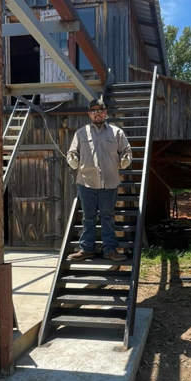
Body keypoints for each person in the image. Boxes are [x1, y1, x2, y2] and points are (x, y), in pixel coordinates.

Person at [66, 97, 132, 262]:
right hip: (86, 182)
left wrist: (125, 159)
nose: (97, 114)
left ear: (105, 112)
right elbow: (72, 152)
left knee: (108, 216)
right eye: (94, 111)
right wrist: (72, 159)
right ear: (89, 114)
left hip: (110, 182)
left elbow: (126, 150)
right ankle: (86, 249)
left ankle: (110, 250)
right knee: (88, 217)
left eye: (100, 110)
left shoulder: (117, 133)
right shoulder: (80, 133)